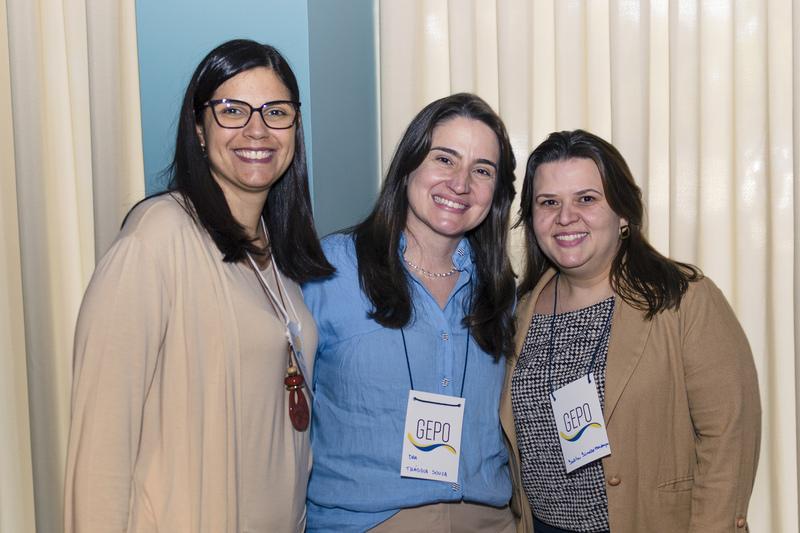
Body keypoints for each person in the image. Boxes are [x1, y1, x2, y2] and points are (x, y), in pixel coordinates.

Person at [64, 39, 333, 532]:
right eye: (232, 110)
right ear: (198, 129)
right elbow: (101, 443)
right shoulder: (156, 238)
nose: (257, 129)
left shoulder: (277, 256)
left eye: (276, 112)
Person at [501, 129, 761, 533]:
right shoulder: (520, 311)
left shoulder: (683, 300)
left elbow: (729, 436)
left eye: (586, 199)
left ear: (623, 214)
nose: (565, 217)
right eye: (548, 202)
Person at [302, 93, 517, 532]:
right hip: (369, 521)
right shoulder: (331, 271)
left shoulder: (500, 290)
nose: (460, 183)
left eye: (482, 170)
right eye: (444, 159)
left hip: (487, 519)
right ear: (408, 165)